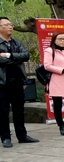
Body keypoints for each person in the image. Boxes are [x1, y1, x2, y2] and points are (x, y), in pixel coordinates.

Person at [0, 16, 39, 148]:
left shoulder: (16, 43)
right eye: (6, 24)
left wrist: (9, 55)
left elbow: (26, 56)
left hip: (17, 82)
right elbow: (1, 61)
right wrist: (16, 59)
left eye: (11, 24)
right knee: (3, 111)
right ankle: (5, 137)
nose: (10, 26)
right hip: (2, 83)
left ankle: (22, 135)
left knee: (19, 110)